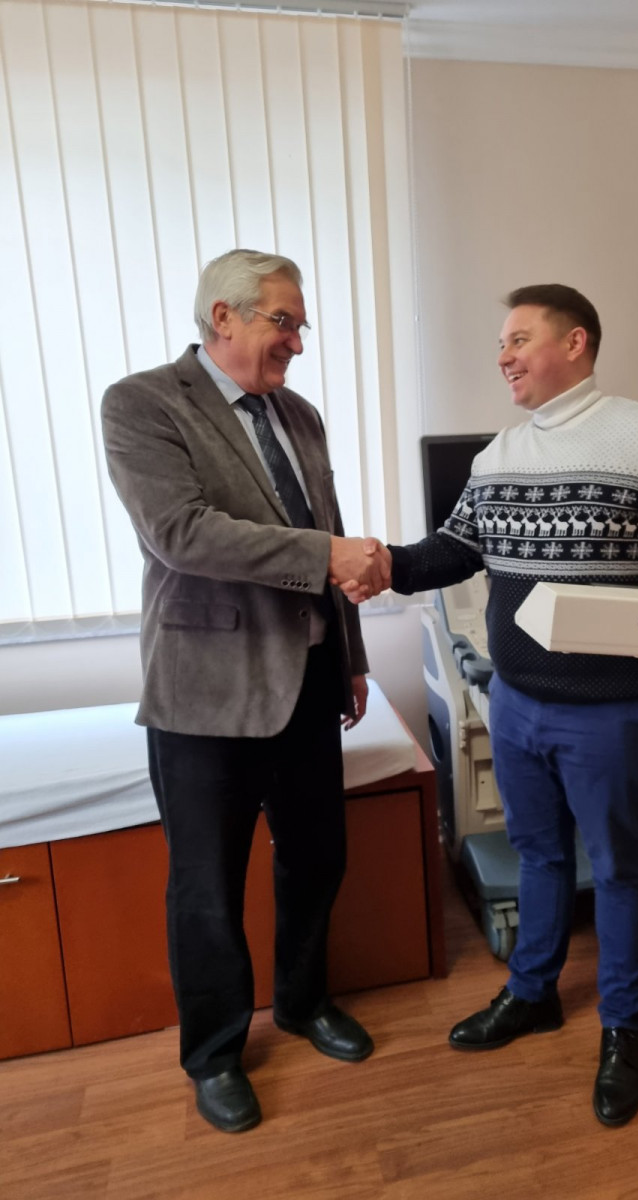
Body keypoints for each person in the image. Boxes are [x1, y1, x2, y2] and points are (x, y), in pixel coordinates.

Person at [344, 284, 638, 1127]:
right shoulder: (498, 456)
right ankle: (533, 993)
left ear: (576, 342)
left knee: (619, 868)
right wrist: (383, 564)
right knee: (539, 857)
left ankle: (623, 1030)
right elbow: (455, 550)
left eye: (519, 339)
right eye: (501, 343)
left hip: (610, 709)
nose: (503, 356)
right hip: (516, 701)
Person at [101, 249, 391, 1134]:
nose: (298, 342)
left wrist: (350, 657)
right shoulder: (143, 404)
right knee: (206, 884)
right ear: (222, 317)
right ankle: (216, 1052)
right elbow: (183, 533)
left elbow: (327, 530)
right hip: (205, 692)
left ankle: (303, 1003)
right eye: (284, 321)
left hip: (307, 681)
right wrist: (326, 556)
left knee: (317, 857)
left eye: (300, 325)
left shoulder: (299, 414)